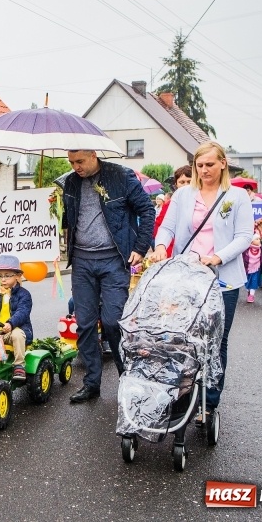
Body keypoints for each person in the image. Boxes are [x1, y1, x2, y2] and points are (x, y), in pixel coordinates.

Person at [150, 141, 253, 416]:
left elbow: (244, 236)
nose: (204, 170)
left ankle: (210, 400)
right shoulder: (184, 195)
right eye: (200, 165)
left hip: (223, 279)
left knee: (217, 340)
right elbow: (167, 228)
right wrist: (161, 246)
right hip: (186, 278)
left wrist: (217, 257)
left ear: (223, 163)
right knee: (181, 336)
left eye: (210, 164)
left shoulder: (237, 196)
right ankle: (182, 394)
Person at [62, 149, 155, 403]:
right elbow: (69, 219)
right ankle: (91, 383)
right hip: (82, 261)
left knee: (113, 322)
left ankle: (127, 378)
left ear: (93, 155)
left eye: (80, 161)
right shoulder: (70, 182)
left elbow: (147, 210)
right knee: (85, 323)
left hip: (114, 259)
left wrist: (140, 247)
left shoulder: (121, 176)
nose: (76, 167)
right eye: (71, 162)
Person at [0, 254, 33, 380]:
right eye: (0, 276)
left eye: (7, 276)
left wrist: (11, 323)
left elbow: (22, 312)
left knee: (17, 335)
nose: (3, 279)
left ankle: (19, 365)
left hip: (14, 330)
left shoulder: (24, 295)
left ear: (18, 276)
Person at [153, 165, 192, 256]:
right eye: (182, 182)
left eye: (189, 181)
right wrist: (162, 246)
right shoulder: (170, 204)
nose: (186, 185)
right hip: (173, 248)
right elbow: (160, 225)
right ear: (176, 184)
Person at [242, 233, 262, 303]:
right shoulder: (246, 250)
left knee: (254, 282)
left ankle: (251, 295)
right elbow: (241, 258)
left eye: (259, 239)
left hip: (256, 269)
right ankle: (249, 291)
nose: (259, 240)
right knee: (247, 283)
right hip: (248, 269)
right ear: (252, 241)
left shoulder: (261, 249)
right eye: (256, 239)